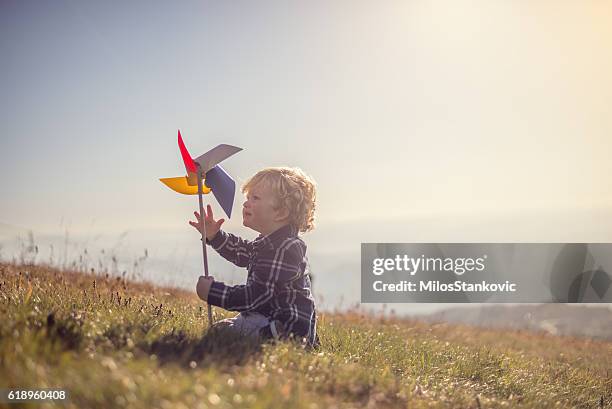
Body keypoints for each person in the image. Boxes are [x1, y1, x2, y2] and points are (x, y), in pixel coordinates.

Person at [190, 167, 319, 348]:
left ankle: (276, 340)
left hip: (283, 328)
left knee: (223, 336)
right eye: (247, 198)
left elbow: (255, 297)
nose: (246, 204)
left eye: (255, 198)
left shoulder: (286, 248)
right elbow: (243, 253)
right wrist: (215, 236)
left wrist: (213, 293)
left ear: (280, 213)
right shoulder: (269, 242)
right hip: (265, 315)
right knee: (218, 331)